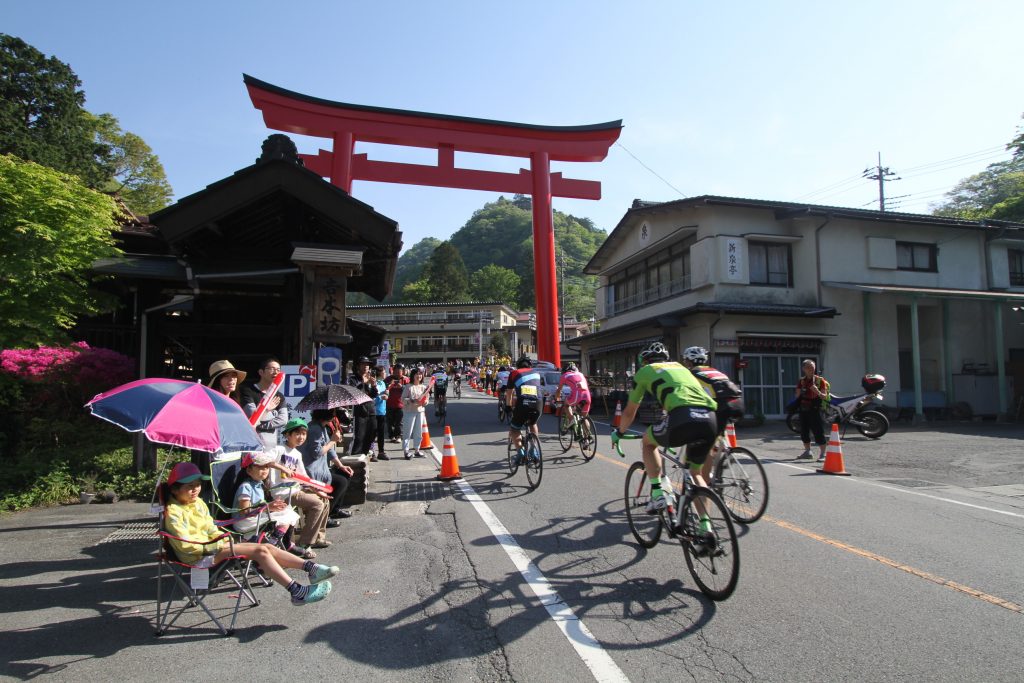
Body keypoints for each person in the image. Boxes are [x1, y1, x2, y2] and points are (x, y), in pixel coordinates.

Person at [162, 462, 336, 606]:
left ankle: (311, 569)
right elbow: (186, 545)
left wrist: (221, 538)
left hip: (215, 546)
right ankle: (297, 591)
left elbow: (209, 528)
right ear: (175, 489)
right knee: (260, 551)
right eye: (189, 487)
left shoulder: (198, 503)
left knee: (266, 546)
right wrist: (218, 543)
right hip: (198, 556)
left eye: (198, 485)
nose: (195, 490)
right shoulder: (173, 513)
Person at [611, 341, 717, 539]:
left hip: (682, 417)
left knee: (648, 442)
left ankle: (658, 493)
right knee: (695, 472)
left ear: (644, 361)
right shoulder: (682, 368)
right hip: (710, 418)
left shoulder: (644, 372)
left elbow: (629, 411)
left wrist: (619, 432)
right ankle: (706, 527)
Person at [679, 347, 745, 480]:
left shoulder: (691, 374)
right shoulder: (715, 371)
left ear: (689, 362)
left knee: (705, 442)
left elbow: (686, 396)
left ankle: (705, 482)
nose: (685, 363)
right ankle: (722, 455)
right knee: (714, 438)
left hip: (721, 406)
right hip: (738, 403)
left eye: (685, 361)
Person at [268, 418, 332, 553]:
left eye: (304, 434)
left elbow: (304, 478)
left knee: (324, 500)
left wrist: (317, 490)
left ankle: (318, 537)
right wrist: (282, 468)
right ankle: (304, 544)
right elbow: (263, 460)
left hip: (296, 489)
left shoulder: (297, 454)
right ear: (287, 435)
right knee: (317, 504)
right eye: (297, 433)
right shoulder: (279, 449)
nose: (301, 437)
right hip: (283, 492)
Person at [232, 451, 297, 547]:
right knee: (286, 516)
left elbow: (259, 505)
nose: (265, 470)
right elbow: (244, 512)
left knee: (288, 511)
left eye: (266, 467)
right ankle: (272, 543)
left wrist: (272, 506)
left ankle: (276, 541)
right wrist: (268, 508)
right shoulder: (246, 487)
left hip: (256, 517)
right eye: (260, 467)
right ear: (249, 470)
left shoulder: (259, 484)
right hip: (243, 522)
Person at [300, 409, 354, 523]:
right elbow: (317, 453)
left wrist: (341, 466)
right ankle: (325, 515)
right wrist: (333, 441)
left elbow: (330, 451)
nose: (335, 416)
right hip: (312, 471)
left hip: (320, 468)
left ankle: (334, 509)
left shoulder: (321, 427)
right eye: (333, 414)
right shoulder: (315, 429)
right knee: (341, 482)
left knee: (345, 474)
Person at [240, 357, 288, 450]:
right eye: (272, 369)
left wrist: (258, 424)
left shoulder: (279, 396)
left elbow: (283, 420)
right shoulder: (248, 390)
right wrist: (267, 409)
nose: (276, 372)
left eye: (278, 370)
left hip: (271, 446)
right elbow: (251, 414)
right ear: (261, 372)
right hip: (252, 444)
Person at [505, 356, 542, 462]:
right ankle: (534, 449)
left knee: (514, 429)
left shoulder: (514, 373)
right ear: (530, 365)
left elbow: (509, 392)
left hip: (523, 403)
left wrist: (508, 406)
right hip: (538, 403)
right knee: (533, 423)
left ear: (518, 365)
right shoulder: (536, 373)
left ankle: (520, 452)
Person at [795, 359, 830, 461]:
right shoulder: (802, 381)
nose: (811, 369)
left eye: (813, 367)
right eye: (809, 368)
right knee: (804, 431)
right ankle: (808, 451)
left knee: (818, 430)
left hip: (815, 408)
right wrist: (801, 390)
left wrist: (817, 391)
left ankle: (823, 454)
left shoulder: (820, 381)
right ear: (804, 369)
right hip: (803, 408)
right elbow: (796, 395)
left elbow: (825, 396)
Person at [347, 357, 379, 456]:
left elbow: (374, 395)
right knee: (359, 437)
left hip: (371, 411)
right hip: (360, 412)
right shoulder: (353, 378)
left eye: (367, 364)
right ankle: (354, 459)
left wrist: (373, 385)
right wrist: (363, 382)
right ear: (358, 366)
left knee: (371, 435)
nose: (366, 366)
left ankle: (363, 457)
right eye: (363, 364)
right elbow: (353, 393)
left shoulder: (370, 377)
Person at [555, 362, 593, 442]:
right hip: (587, 396)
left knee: (566, 404)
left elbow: (559, 390)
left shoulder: (564, 376)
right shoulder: (581, 374)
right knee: (584, 418)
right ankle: (587, 438)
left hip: (577, 396)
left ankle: (572, 419)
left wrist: (557, 399)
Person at [401, 368, 430, 458]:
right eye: (417, 374)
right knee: (407, 431)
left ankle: (417, 449)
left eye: (420, 374)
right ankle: (406, 451)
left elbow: (427, 399)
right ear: (413, 376)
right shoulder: (408, 386)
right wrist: (411, 400)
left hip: (420, 411)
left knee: (418, 431)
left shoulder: (424, 387)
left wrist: (426, 402)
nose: (419, 376)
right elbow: (402, 399)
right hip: (409, 411)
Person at [370, 365, 389, 461]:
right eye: (384, 372)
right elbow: (372, 398)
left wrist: (386, 394)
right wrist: (381, 397)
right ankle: (371, 452)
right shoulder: (373, 383)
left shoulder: (383, 383)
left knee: (381, 433)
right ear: (379, 373)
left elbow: (384, 395)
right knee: (373, 433)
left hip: (382, 411)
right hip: (374, 411)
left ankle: (381, 452)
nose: (385, 373)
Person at [385, 364, 408, 443]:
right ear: (393, 371)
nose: (398, 373)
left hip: (401, 404)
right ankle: (392, 436)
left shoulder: (405, 379)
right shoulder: (388, 379)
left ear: (402, 371)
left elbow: (409, 389)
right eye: (396, 371)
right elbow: (383, 388)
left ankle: (398, 436)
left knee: (399, 422)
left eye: (400, 371)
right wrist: (389, 385)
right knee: (389, 422)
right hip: (389, 404)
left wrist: (402, 386)